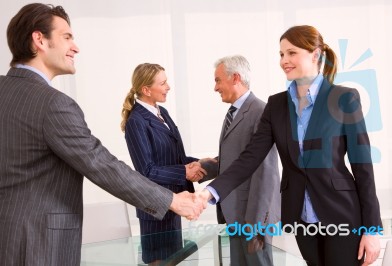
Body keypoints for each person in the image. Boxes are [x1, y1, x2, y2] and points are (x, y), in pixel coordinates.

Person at [0, 4, 205, 266]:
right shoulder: (53, 104)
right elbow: (101, 164)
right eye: (67, 37)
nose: (76, 47)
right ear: (39, 39)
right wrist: (172, 200)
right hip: (39, 244)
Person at [198, 25, 382, 266]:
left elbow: (363, 167)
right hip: (302, 219)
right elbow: (249, 159)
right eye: (281, 54)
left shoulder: (345, 98)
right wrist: (210, 193)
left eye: (291, 53)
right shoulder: (276, 106)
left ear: (315, 54)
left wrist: (372, 229)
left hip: (343, 216)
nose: (284, 60)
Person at [120, 63, 214, 265]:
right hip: (155, 208)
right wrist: (184, 172)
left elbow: (175, 158)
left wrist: (199, 164)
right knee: (160, 262)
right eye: (163, 83)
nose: (168, 87)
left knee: (173, 261)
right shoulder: (136, 121)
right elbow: (147, 171)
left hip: (174, 201)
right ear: (146, 90)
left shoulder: (161, 112)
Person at [210, 55, 280, 266]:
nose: (215, 87)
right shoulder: (234, 111)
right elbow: (238, 158)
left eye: (218, 80)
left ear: (235, 78)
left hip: (252, 218)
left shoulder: (260, 111)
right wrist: (204, 166)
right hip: (236, 215)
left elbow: (265, 171)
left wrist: (257, 224)